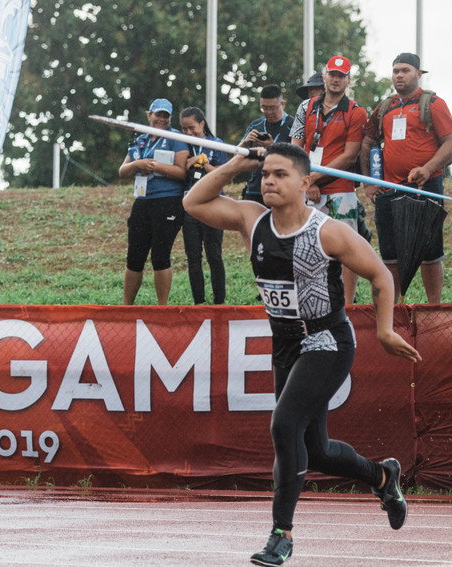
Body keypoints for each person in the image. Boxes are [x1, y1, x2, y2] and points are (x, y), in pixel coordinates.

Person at [183, 143, 421, 566]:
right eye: (266, 174)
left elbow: (380, 274)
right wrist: (239, 164)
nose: (269, 181)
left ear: (305, 183)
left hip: (327, 342)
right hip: (286, 343)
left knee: (285, 424)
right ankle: (384, 476)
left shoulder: (328, 231)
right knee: (318, 449)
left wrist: (384, 329)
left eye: (280, 174)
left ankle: (281, 534)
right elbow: (193, 201)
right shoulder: (251, 219)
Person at [360, 52, 452, 304]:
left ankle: (433, 309)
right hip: (388, 190)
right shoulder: (384, 107)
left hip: (425, 187)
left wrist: (427, 168)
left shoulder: (433, 103)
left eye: (405, 70)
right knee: (390, 255)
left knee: (430, 251)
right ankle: (392, 312)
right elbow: (367, 141)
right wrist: (369, 182)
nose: (399, 75)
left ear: (418, 73)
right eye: (395, 71)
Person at [291, 55, 368, 304]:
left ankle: (347, 303)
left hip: (341, 188)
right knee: (306, 245)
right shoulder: (306, 107)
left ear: (348, 80)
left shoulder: (356, 112)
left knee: (349, 246)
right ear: (325, 77)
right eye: (332, 74)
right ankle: (309, 297)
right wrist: (308, 181)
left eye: (341, 76)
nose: (336, 80)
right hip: (307, 186)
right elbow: (296, 146)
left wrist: (315, 178)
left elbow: (349, 156)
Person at [118, 98, 189, 305]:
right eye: (158, 114)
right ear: (149, 115)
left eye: (165, 116)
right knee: (134, 258)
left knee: (160, 256)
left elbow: (181, 172)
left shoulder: (176, 137)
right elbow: (122, 171)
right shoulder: (140, 141)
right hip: (142, 200)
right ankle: (126, 308)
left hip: (168, 201)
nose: (161, 119)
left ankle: (162, 309)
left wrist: (155, 166)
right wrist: (138, 164)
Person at [179, 106, 228, 305]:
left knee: (214, 255)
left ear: (202, 124)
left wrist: (203, 163)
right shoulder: (183, 146)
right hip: (190, 207)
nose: (189, 133)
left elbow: (224, 173)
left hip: (213, 205)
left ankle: (219, 303)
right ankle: (198, 302)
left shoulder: (217, 144)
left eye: (192, 128)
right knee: (193, 258)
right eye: (184, 129)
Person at [239, 85, 295, 205]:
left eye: (273, 108)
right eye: (264, 108)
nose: (268, 112)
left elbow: (298, 158)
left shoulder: (294, 125)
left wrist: (271, 147)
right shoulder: (256, 125)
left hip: (282, 188)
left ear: (283, 104)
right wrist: (245, 142)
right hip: (255, 190)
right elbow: (237, 154)